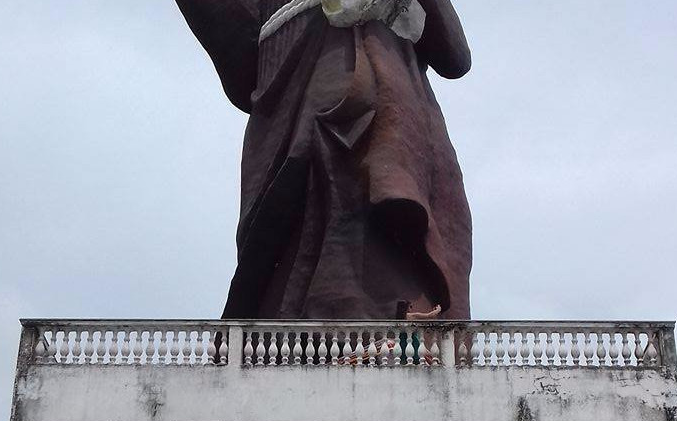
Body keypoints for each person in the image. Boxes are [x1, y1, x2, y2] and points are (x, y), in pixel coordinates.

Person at [175, 0, 473, 320]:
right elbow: (245, 70)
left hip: (392, 108)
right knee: (306, 238)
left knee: (378, 228)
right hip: (303, 114)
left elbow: (454, 57)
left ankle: (388, 335)